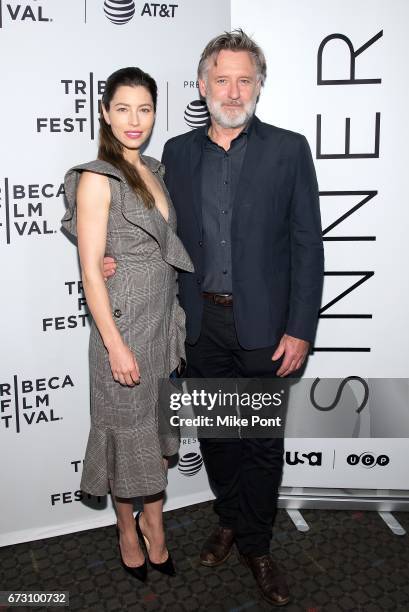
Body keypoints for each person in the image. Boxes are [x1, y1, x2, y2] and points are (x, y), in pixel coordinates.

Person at [104, 30, 324, 606]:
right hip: (197, 325)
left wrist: (301, 326)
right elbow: (138, 214)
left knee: (260, 443)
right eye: (221, 78)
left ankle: (257, 544)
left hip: (267, 332)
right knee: (220, 436)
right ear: (202, 86)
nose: (233, 89)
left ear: (258, 85)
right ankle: (229, 517)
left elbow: (308, 244)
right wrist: (107, 253)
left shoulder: (288, 149)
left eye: (244, 79)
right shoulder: (175, 153)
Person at [61, 67, 193, 582]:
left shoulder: (154, 170)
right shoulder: (97, 176)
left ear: (155, 113)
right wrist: (114, 344)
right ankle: (126, 528)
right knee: (123, 436)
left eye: (144, 108)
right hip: (122, 326)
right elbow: (92, 270)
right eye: (122, 108)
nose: (134, 120)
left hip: (163, 324)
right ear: (104, 113)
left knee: (159, 433)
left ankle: (155, 525)